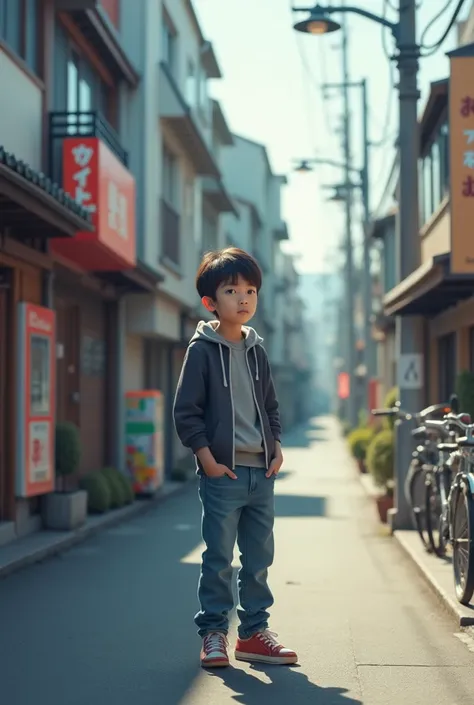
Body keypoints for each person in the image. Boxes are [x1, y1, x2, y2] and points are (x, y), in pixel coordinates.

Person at [173, 247, 298, 669]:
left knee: (259, 558)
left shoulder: (258, 351)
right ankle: (213, 633)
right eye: (232, 290)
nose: (243, 298)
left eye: (250, 290)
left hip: (262, 471)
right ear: (211, 302)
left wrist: (276, 446)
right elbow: (186, 412)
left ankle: (253, 634)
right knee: (219, 558)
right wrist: (207, 460)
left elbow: (271, 408)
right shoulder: (202, 351)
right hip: (222, 472)